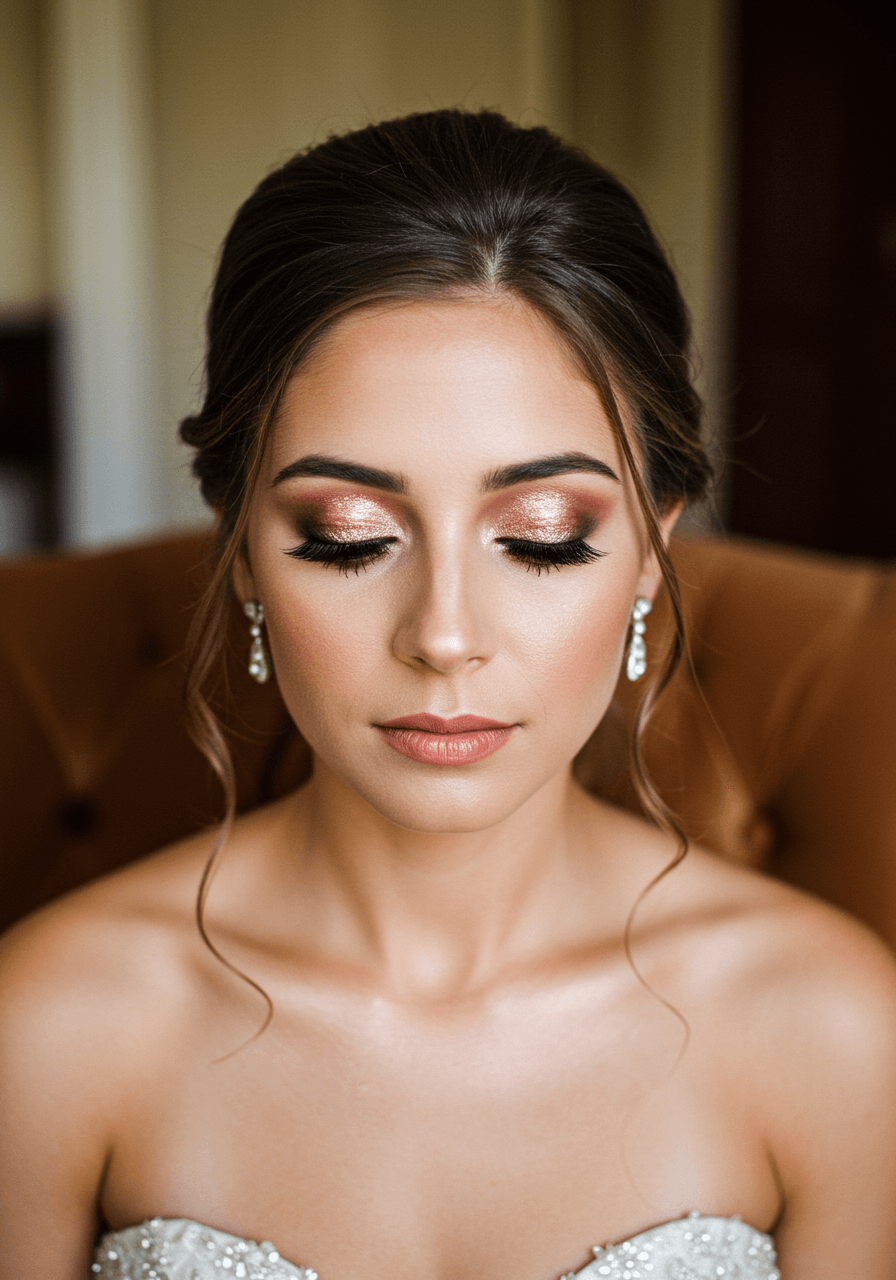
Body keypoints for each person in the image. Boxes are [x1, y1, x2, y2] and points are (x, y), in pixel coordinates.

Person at [1, 109, 895, 1280]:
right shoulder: (52, 1025)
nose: (444, 636)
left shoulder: (830, 1025)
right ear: (242, 555)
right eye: (346, 535)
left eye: (539, 537)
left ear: (649, 552)